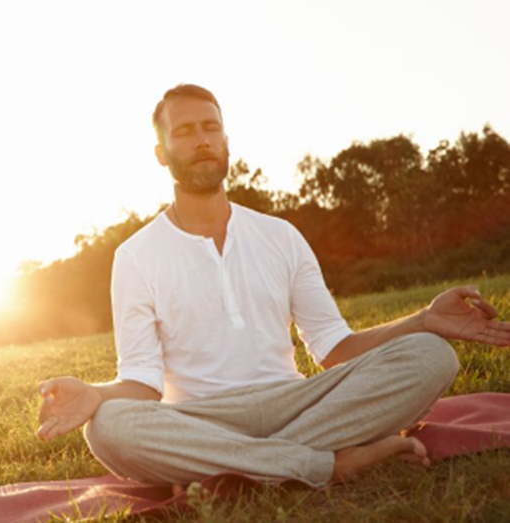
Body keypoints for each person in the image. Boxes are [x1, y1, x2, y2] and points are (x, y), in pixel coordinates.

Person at [35, 84, 510, 489]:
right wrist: (96, 394)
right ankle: (330, 463)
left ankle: (239, 465)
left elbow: (335, 348)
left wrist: (425, 320)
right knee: (109, 428)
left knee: (432, 354)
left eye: (210, 127)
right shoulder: (135, 256)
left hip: (297, 403)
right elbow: (142, 384)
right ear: (161, 153)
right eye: (184, 131)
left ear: (226, 139)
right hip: (203, 419)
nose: (202, 139)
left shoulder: (280, 235)